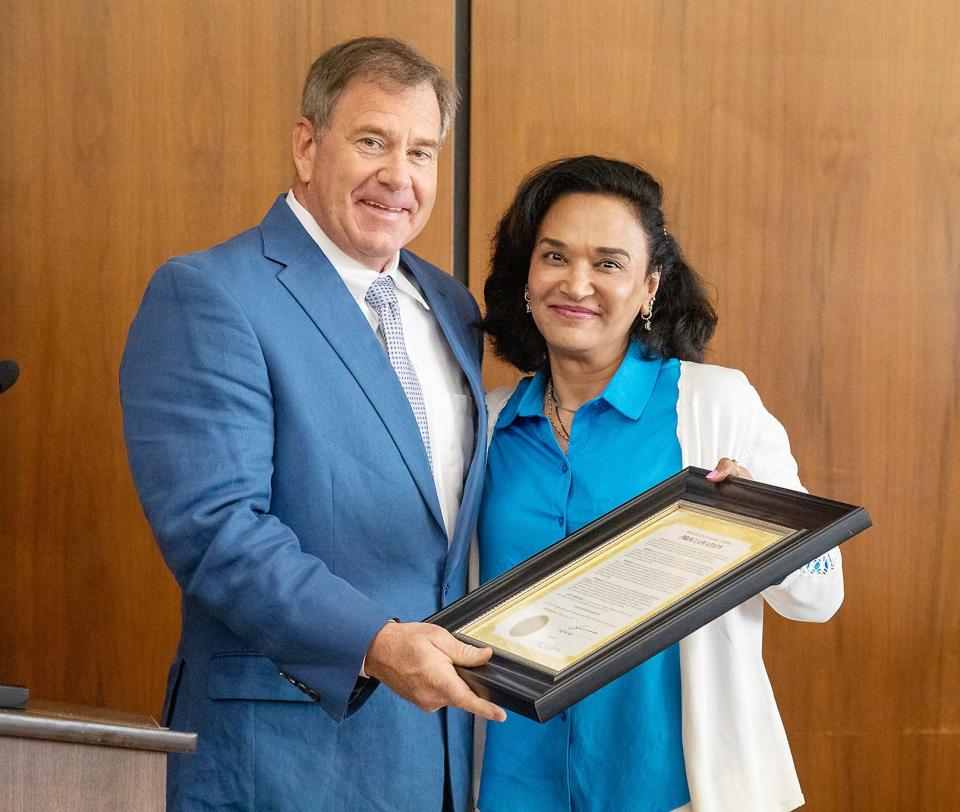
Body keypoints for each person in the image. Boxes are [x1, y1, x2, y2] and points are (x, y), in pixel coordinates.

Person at [120, 37, 503, 812]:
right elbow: (217, 531)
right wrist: (377, 643)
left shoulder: (456, 308)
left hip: (435, 759)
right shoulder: (210, 293)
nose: (400, 177)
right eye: (373, 141)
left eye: (422, 152)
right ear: (306, 144)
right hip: (279, 759)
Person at [474, 155, 843, 812]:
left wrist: (767, 528)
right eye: (554, 257)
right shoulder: (487, 424)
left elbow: (820, 595)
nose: (576, 282)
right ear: (526, 278)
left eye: (608, 263)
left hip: (675, 790)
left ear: (649, 288)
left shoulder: (713, 406)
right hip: (511, 782)